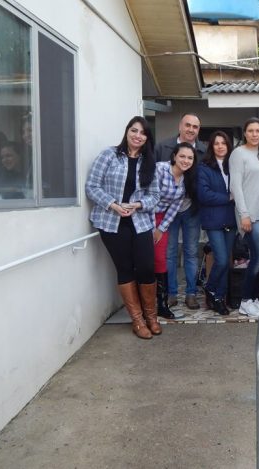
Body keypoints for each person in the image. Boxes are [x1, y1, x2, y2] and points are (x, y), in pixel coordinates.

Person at [85, 116, 160, 339]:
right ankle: (137, 321)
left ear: (147, 138)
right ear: (127, 132)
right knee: (125, 268)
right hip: (111, 221)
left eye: (143, 133)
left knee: (146, 267)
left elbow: (155, 195)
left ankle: (151, 316)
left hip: (140, 221)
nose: (138, 135)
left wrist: (138, 204)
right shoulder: (109, 155)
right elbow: (92, 186)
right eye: (134, 130)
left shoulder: (149, 162)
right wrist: (113, 204)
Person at [155, 113, 206, 310]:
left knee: (191, 252)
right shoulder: (163, 147)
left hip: (191, 210)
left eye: (195, 126)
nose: (191, 129)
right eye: (187, 125)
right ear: (180, 126)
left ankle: (191, 294)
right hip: (166, 210)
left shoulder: (203, 150)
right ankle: (171, 293)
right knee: (169, 252)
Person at [229, 117, 259, 318]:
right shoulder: (238, 153)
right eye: (251, 131)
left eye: (258, 131)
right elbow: (236, 186)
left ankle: (254, 299)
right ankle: (245, 300)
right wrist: (244, 214)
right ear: (245, 133)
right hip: (250, 215)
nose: (255, 134)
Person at [153, 142, 197, 320]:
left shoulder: (186, 180)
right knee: (163, 256)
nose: (186, 160)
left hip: (163, 218)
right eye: (182, 156)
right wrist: (153, 225)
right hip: (146, 215)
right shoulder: (160, 169)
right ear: (174, 156)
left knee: (184, 253)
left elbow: (174, 207)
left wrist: (160, 228)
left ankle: (186, 295)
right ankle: (166, 296)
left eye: (190, 158)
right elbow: (148, 196)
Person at [197, 131, 237, 315]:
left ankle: (219, 298)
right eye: (216, 143)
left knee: (226, 261)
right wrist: (228, 198)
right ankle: (211, 289)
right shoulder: (204, 167)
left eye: (224, 143)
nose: (220, 146)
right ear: (211, 147)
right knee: (220, 260)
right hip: (213, 220)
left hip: (231, 219)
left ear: (228, 146)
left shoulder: (233, 166)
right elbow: (204, 194)